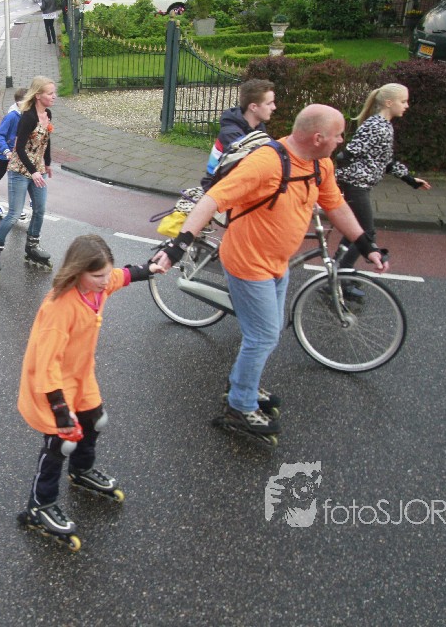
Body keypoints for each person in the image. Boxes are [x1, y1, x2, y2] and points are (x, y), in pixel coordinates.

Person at [153, 104, 387, 439]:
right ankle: (240, 406)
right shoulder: (266, 163)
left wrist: (365, 245)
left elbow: (335, 204)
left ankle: (242, 383)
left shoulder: (320, 163)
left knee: (270, 331)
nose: (341, 141)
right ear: (318, 137)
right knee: (262, 336)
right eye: (338, 135)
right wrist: (178, 246)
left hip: (278, 263)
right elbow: (212, 200)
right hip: (248, 263)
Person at [17, 234, 164, 545]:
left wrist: (149, 268)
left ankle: (81, 470)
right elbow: (46, 364)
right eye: (97, 275)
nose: (104, 280)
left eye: (105, 273)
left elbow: (121, 276)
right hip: (52, 385)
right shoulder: (60, 307)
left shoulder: (97, 288)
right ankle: (39, 505)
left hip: (81, 375)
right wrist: (61, 411)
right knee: (61, 443)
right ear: (78, 271)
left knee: (95, 420)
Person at [335, 83, 430, 285]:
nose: (407, 105)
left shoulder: (384, 125)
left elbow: (386, 161)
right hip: (356, 185)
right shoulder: (375, 126)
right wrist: (343, 181)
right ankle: (341, 278)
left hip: (360, 184)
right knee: (366, 233)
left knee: (355, 230)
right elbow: (346, 155)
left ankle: (337, 273)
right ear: (388, 102)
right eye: (403, 101)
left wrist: (410, 179)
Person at [0, 77, 56, 277]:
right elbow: (19, 149)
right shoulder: (28, 117)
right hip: (20, 170)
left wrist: (47, 163)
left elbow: (46, 140)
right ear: (38, 95)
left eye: (54, 93)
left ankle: (32, 246)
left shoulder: (47, 114)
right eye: (50, 93)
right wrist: (33, 171)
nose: (54, 96)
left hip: (38, 170)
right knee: (14, 214)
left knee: (40, 209)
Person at [201, 79, 276, 190]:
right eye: (269, 103)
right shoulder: (231, 133)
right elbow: (252, 165)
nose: (274, 107)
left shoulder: (258, 127)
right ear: (253, 107)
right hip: (217, 187)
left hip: (237, 183)